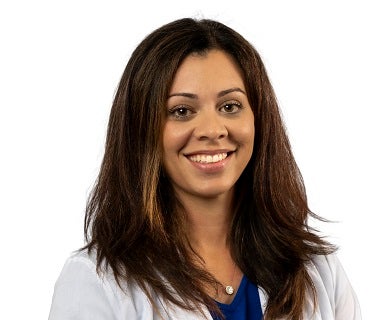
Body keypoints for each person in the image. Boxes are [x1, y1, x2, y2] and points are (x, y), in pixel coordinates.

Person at [48, 18, 361, 320]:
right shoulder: (97, 282)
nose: (212, 130)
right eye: (182, 111)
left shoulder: (319, 270)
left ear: (258, 119)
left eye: (230, 106)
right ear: (141, 129)